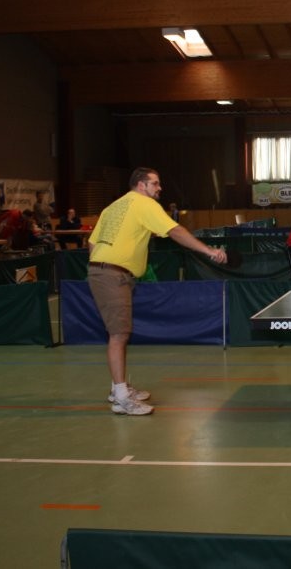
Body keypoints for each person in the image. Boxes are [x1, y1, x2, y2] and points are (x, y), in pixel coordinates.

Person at [87, 167, 228, 416]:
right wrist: (209, 251)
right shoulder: (144, 203)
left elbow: (91, 242)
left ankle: (117, 388)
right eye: (155, 183)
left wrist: (101, 265)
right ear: (141, 185)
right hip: (112, 275)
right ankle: (121, 398)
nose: (159, 188)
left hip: (106, 272)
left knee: (120, 332)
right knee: (119, 334)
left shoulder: (113, 207)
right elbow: (175, 231)